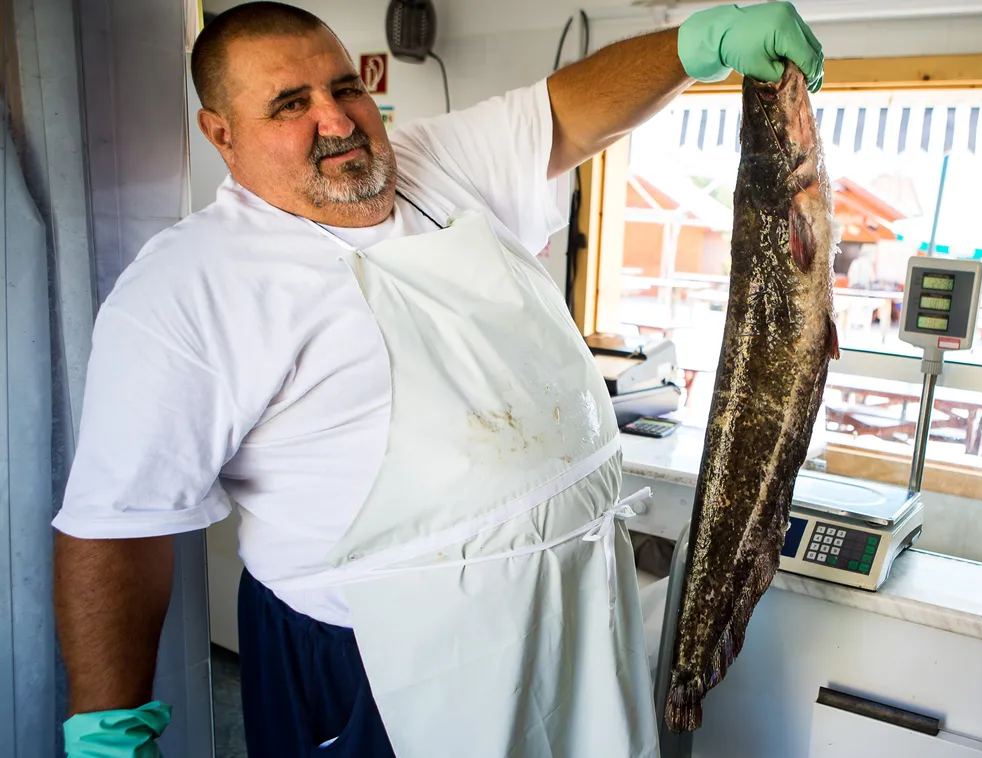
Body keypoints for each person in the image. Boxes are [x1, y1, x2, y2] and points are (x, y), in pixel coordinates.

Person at [50, 3, 824, 756]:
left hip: (574, 619)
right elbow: (119, 524)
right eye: (290, 104)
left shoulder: (432, 162)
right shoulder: (189, 285)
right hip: (378, 666)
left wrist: (697, 42)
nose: (338, 120)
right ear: (221, 133)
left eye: (345, 87)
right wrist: (108, 727)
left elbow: (569, 111)